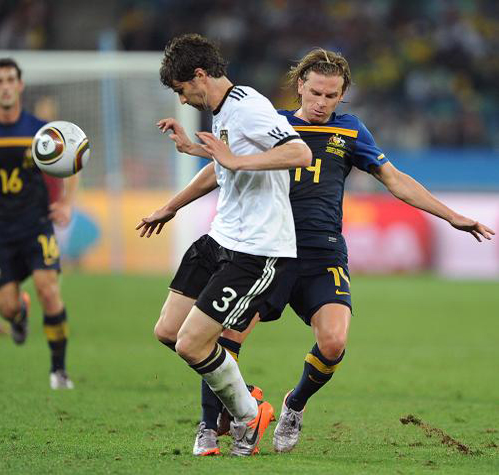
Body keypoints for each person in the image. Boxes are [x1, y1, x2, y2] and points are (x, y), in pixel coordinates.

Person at [141, 47, 495, 455]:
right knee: (222, 337)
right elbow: (221, 167)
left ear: (341, 96)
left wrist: (451, 216)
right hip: (269, 248)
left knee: (333, 343)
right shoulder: (270, 121)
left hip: (321, 253)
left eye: (332, 96)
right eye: (316, 94)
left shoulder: (350, 131)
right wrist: (172, 205)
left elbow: (394, 179)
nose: (323, 103)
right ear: (299, 88)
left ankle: (294, 404)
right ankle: (210, 425)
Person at [136, 33, 311, 456]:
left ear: (199, 75)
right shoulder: (224, 109)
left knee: (193, 345)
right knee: (169, 332)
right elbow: (225, 166)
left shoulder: (249, 108)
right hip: (221, 237)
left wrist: (234, 159)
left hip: (256, 248)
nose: (181, 101)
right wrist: (173, 201)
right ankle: (246, 400)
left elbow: (300, 153)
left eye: (181, 91)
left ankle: (248, 418)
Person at [0, 58, 78, 389]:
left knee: (49, 290)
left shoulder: (38, 131)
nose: (4, 86)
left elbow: (74, 157)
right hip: (1, 235)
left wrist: (66, 203)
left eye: (9, 80)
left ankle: (59, 371)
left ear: (20, 86)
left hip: (36, 226)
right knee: (7, 306)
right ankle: (18, 315)